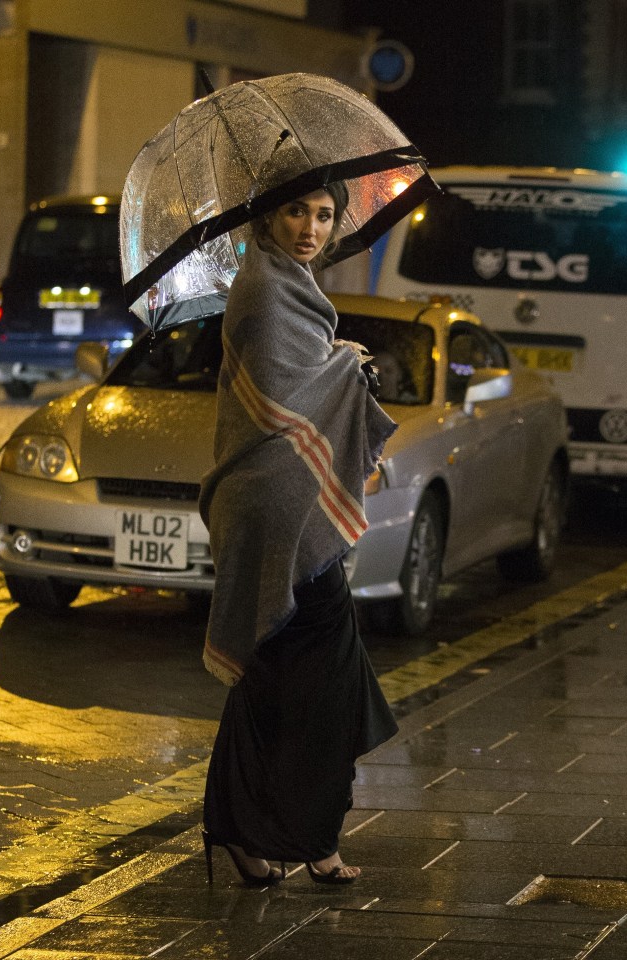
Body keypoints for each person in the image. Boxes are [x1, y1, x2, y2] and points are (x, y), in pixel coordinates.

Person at [198, 180, 399, 887]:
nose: (311, 228)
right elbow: (287, 397)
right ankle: (313, 841)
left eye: (323, 215)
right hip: (277, 506)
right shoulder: (262, 287)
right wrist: (348, 362)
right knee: (322, 686)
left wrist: (332, 354)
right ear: (267, 216)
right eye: (295, 212)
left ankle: (242, 833)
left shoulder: (286, 281)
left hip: (284, 503)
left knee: (272, 678)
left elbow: (297, 371)